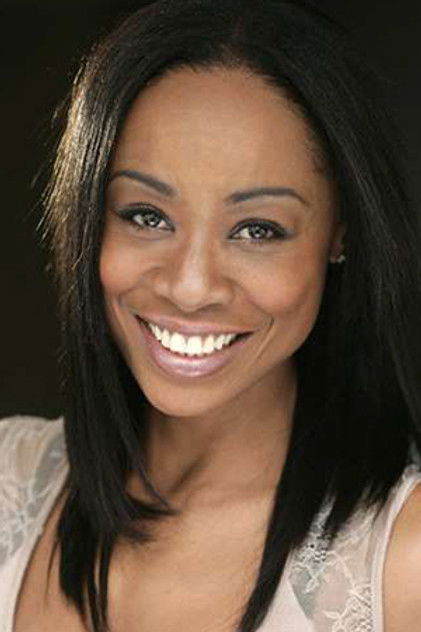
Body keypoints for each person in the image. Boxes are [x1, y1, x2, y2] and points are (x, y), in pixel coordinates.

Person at [1, 0, 421, 630]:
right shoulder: (7, 483)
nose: (191, 287)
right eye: (147, 216)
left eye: (257, 229)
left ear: (340, 233)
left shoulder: (403, 564)